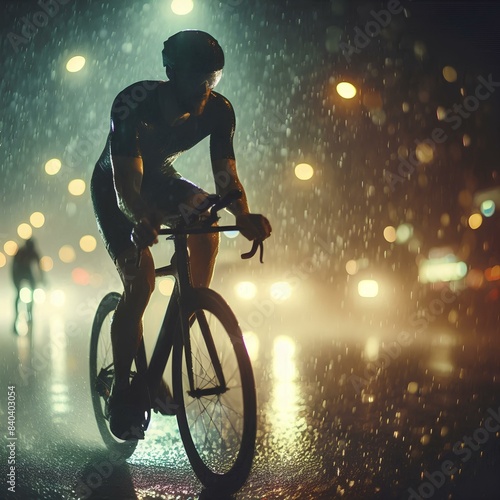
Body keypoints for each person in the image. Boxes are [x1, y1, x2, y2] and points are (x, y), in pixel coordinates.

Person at [91, 30, 272, 440]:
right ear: (171, 73)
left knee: (206, 228)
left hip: (163, 181)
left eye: (213, 79)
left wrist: (242, 214)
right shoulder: (133, 103)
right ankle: (123, 392)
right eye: (196, 79)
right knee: (141, 286)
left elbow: (226, 174)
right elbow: (128, 188)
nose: (204, 89)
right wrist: (142, 219)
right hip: (118, 188)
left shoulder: (219, 110)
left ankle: (184, 313)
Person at [11, 238, 43, 334]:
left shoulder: (33, 252)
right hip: (19, 274)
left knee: (32, 292)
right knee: (18, 294)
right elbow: (14, 267)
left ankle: (30, 313)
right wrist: (16, 283)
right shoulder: (21, 252)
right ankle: (17, 315)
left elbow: (39, 267)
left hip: (28, 274)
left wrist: (41, 279)